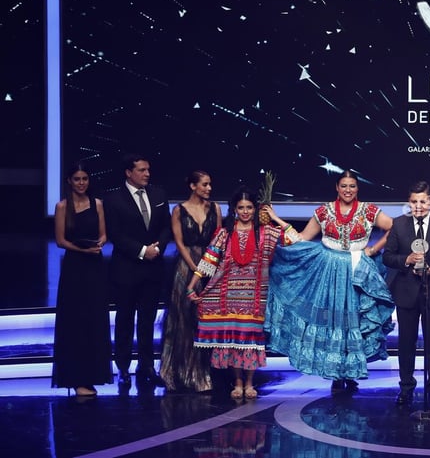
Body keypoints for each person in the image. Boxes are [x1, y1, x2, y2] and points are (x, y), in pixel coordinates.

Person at [263, 170, 395, 394]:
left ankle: (350, 372)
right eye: (344, 186)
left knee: (351, 320)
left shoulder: (368, 210)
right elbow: (304, 238)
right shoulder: (324, 211)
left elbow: (394, 227)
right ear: (337, 187)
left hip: (356, 269)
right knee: (333, 320)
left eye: (352, 186)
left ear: (357, 188)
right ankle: (335, 373)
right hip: (328, 271)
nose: (348, 190)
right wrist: (276, 220)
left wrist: (373, 249)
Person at [185, 187, 294, 399]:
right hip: (227, 294)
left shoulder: (267, 232)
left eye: (249, 208)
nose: (245, 212)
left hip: (254, 298)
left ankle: (250, 383)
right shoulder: (225, 234)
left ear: (256, 209)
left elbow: (294, 237)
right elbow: (209, 260)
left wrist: (273, 217)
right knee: (233, 341)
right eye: (241, 208)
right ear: (234, 210)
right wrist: (192, 285)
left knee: (250, 341)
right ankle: (237, 382)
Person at [383, 181, 430, 406]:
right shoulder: (399, 225)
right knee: (406, 343)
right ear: (409, 203)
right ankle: (406, 387)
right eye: (414, 202)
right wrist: (405, 260)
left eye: (423, 201)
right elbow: (388, 256)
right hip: (406, 293)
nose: (419, 206)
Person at [104, 153, 172, 389]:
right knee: (124, 320)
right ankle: (123, 368)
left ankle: (147, 366)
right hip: (126, 269)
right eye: (142, 170)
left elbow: (166, 227)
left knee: (147, 320)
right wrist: (143, 250)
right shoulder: (113, 199)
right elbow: (115, 234)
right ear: (128, 173)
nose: (147, 174)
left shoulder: (159, 195)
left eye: (148, 170)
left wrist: (158, 248)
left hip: (153, 269)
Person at [51, 162, 112, 397]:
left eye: (84, 178)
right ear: (69, 181)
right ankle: (75, 377)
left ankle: (93, 375)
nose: (81, 183)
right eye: (77, 179)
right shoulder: (62, 207)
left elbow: (104, 233)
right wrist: (83, 250)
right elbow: (60, 240)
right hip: (75, 267)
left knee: (93, 318)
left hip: (94, 266)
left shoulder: (97, 204)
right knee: (75, 320)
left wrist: (99, 244)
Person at [159, 170, 222, 392]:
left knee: (204, 320)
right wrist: (196, 268)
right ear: (193, 186)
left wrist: (209, 266)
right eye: (205, 184)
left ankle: (202, 371)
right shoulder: (179, 210)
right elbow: (179, 242)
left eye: (210, 184)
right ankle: (179, 371)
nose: (209, 188)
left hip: (211, 264)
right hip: (187, 267)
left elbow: (218, 240)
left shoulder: (214, 209)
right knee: (183, 318)